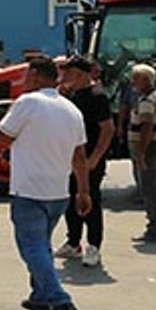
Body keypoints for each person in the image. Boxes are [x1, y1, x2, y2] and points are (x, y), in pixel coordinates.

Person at [0, 56, 91, 310]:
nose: (24, 79)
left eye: (27, 74)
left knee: (32, 247)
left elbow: (3, 137)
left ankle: (59, 299)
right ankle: (40, 295)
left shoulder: (27, 103)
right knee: (42, 245)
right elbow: (79, 156)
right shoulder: (71, 110)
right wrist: (83, 191)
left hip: (29, 189)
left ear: (36, 74)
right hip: (58, 191)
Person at [54, 55, 114, 267]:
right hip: (69, 160)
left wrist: (94, 158)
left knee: (90, 201)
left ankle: (94, 246)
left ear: (79, 75)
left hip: (88, 159)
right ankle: (73, 242)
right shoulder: (71, 96)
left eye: (68, 73)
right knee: (71, 201)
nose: (63, 77)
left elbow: (107, 129)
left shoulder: (97, 96)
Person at [129, 64, 156, 244]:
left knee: (150, 191)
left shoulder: (147, 101)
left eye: (135, 79)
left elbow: (147, 127)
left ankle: (154, 230)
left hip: (151, 149)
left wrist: (141, 153)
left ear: (145, 80)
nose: (133, 82)